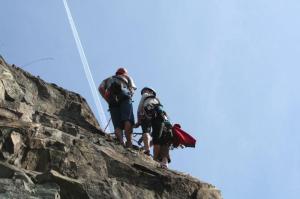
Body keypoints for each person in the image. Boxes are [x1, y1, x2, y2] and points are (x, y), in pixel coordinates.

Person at [135, 87, 173, 168]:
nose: (143, 93)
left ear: (150, 91)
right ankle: (163, 162)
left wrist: (138, 121)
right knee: (161, 141)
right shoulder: (158, 102)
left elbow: (140, 107)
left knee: (155, 138)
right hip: (164, 125)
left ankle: (153, 157)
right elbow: (156, 134)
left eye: (144, 91)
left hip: (149, 113)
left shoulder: (146, 95)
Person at [99, 67, 136, 148]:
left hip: (112, 100)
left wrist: (107, 100)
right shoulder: (127, 77)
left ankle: (121, 142)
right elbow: (132, 89)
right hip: (125, 96)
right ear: (124, 73)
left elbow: (101, 88)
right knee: (128, 119)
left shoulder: (108, 79)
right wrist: (130, 95)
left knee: (117, 125)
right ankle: (129, 143)